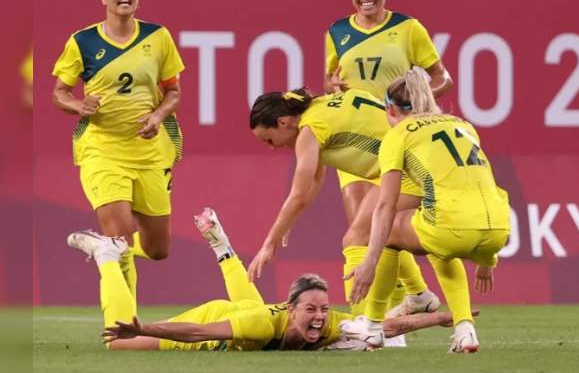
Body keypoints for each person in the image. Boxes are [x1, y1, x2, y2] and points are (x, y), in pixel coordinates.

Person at [67, 207, 464, 351]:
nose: (321, 317)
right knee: (119, 341)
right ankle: (106, 255)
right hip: (215, 320)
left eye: (324, 309)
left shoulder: (326, 326)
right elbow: (195, 333)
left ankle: (222, 245)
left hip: (251, 310)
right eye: (312, 309)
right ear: (293, 309)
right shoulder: (262, 325)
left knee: (256, 314)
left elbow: (386, 324)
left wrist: (446, 318)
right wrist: (146, 328)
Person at [322, 0, 455, 333]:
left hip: (397, 139)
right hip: (353, 143)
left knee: (376, 226)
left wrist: (415, 103)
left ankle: (381, 317)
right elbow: (331, 80)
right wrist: (332, 87)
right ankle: (415, 295)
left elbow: (442, 77)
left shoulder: (408, 28)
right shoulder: (336, 32)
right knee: (363, 228)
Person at [51, 0, 185, 325]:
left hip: (149, 153)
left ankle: (103, 248)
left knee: (158, 249)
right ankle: (124, 324)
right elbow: (59, 93)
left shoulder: (158, 38)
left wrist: (158, 116)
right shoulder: (83, 41)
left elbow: (173, 91)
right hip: (102, 150)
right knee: (120, 241)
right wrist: (79, 105)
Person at [344, 70, 511, 353]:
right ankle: (465, 328)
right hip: (499, 229)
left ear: (390, 108)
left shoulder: (397, 136)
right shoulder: (464, 125)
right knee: (435, 241)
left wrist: (369, 263)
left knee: (391, 228)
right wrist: (487, 260)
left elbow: (385, 205)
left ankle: (372, 327)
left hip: (451, 227)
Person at [246, 88, 446, 324]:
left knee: (356, 239)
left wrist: (269, 244)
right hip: (418, 162)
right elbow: (314, 181)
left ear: (282, 122)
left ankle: (362, 323)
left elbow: (299, 195)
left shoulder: (310, 131)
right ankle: (418, 295)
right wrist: (287, 221)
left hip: (413, 170)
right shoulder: (321, 106)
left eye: (269, 139)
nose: (272, 147)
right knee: (380, 233)